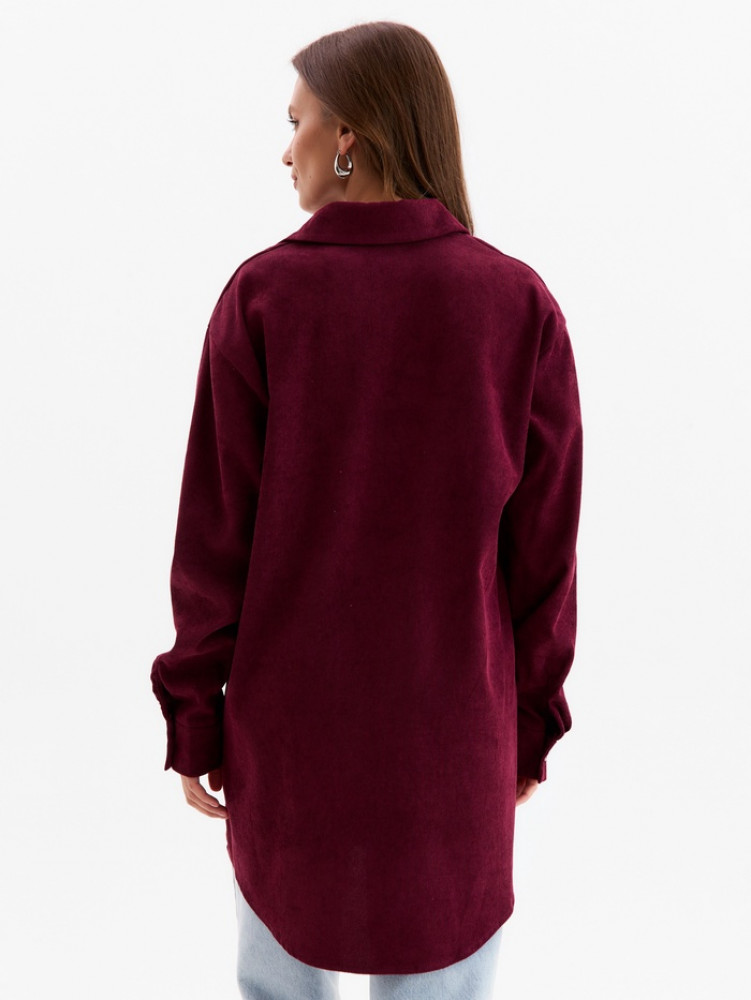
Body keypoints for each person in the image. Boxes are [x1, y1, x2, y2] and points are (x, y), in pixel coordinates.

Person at [150, 20, 583, 1000]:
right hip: (452, 742)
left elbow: (213, 542)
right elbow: (544, 557)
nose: (285, 150)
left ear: (348, 133)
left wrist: (195, 714)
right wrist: (529, 719)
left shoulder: (264, 297)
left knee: (277, 982)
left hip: (290, 741)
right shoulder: (514, 304)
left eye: (295, 121)